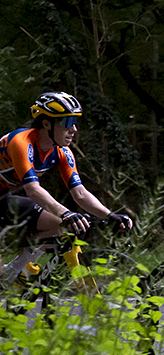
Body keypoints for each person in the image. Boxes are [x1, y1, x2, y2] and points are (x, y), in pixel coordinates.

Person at [0, 91, 134, 281]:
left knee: (62, 225)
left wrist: (109, 215)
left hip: (3, 197)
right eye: (67, 122)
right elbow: (33, 189)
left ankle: (13, 271)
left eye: (75, 122)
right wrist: (66, 212)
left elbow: (79, 193)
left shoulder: (63, 152)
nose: (74, 129)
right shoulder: (22, 142)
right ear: (46, 124)